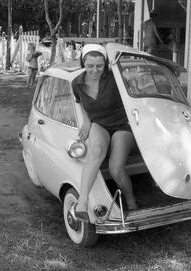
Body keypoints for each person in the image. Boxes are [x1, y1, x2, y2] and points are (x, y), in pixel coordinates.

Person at [72, 44, 137, 222]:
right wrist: (86, 121)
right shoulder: (76, 83)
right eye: (90, 66)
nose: (95, 70)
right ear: (83, 63)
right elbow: (79, 102)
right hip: (99, 124)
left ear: (105, 64)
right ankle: (82, 203)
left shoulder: (115, 78)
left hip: (122, 125)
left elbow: (134, 95)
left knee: (116, 169)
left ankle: (131, 203)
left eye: (99, 66)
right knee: (96, 152)